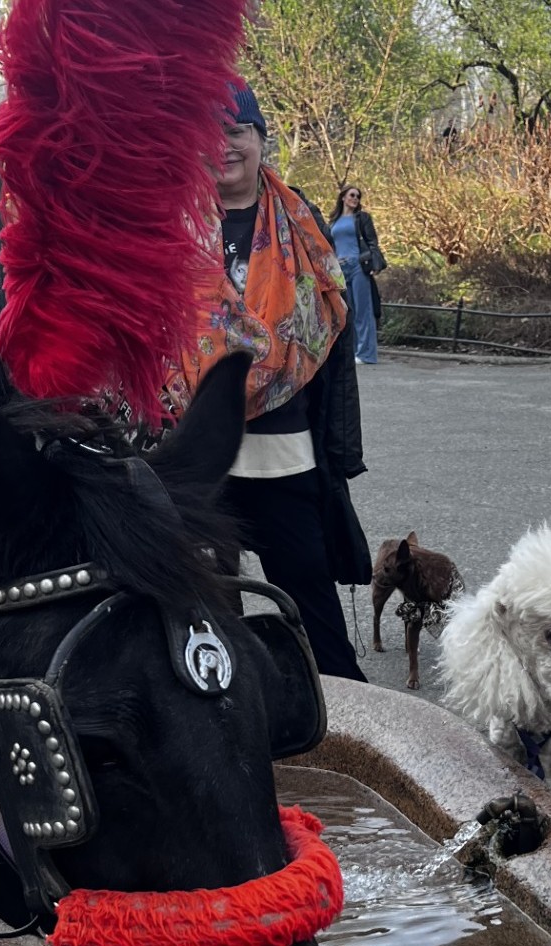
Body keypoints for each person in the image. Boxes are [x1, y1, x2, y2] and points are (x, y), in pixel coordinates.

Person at [166, 81, 370, 681]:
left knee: (318, 622)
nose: (223, 146)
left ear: (259, 138)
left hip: (282, 458)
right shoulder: (168, 230)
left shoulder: (299, 221)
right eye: (207, 133)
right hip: (195, 461)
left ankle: (353, 736)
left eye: (236, 131)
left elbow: (327, 330)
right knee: (203, 625)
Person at [327, 185, 382, 366]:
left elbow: (372, 241)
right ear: (343, 197)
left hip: (358, 266)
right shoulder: (333, 221)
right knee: (347, 312)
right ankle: (351, 351)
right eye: (352, 195)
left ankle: (366, 354)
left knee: (363, 311)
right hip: (341, 269)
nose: (355, 199)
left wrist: (374, 263)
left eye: (358, 196)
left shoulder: (362, 218)